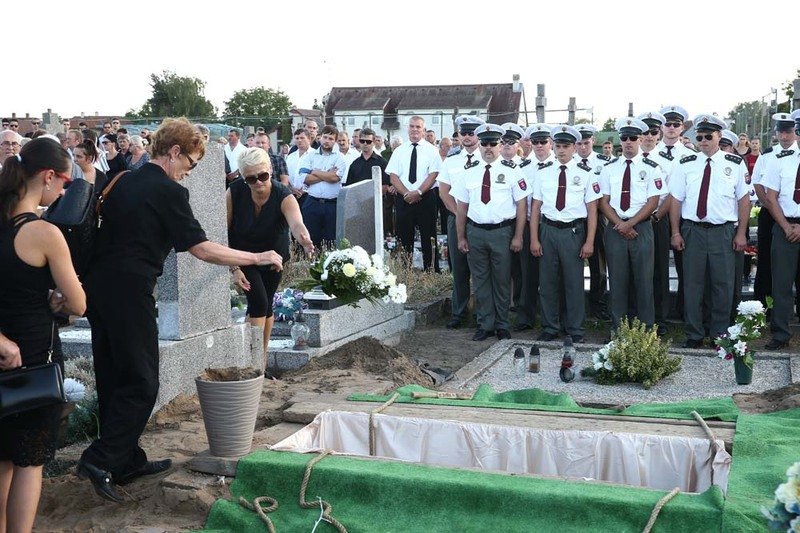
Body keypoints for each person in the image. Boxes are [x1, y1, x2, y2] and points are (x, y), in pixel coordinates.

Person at [77, 118, 284, 503]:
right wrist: (255, 256)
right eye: (189, 162)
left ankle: (125, 459)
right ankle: (101, 459)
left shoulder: (123, 178)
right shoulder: (167, 190)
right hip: (129, 292)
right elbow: (201, 248)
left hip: (97, 291)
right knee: (142, 381)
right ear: (173, 152)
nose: (189, 172)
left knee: (114, 375)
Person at [0, 138, 86, 532]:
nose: (65, 191)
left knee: (1, 459)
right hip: (33, 357)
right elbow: (78, 303)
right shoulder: (44, 233)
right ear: (48, 176)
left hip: (6, 348)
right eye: (65, 182)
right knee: (29, 463)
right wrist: (56, 301)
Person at [670, 114, 749, 348]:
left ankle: (719, 334)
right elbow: (676, 200)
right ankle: (694, 333)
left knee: (722, 285)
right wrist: (675, 231)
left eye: (708, 136)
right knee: (693, 285)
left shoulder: (734, 164)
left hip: (722, 232)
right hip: (692, 230)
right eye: (700, 137)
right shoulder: (685, 164)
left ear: (719, 137)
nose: (703, 141)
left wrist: (741, 232)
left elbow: (744, 200)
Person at [228, 147, 313, 361]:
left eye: (262, 176)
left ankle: (260, 358)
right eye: (251, 178)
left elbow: (296, 223)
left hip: (275, 258)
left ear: (270, 170)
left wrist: (304, 239)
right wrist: (234, 267)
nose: (258, 182)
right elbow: (223, 229)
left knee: (265, 305)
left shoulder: (283, 195)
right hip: (243, 255)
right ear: (242, 176)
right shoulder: (235, 191)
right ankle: (252, 359)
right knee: (257, 302)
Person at [452, 124, 529, 341]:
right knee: (481, 281)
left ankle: (502, 324)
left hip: (502, 233)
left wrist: (518, 236)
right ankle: (485, 324)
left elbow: (522, 205)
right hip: (475, 232)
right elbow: (461, 208)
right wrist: (460, 237)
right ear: (478, 145)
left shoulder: (512, 170)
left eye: (493, 143)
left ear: (500, 145)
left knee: (502, 280)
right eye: (484, 143)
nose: (488, 148)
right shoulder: (468, 172)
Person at [530, 125, 600, 343]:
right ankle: (550, 326)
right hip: (549, 230)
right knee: (548, 282)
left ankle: (575, 328)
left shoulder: (586, 174)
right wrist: (534, 238)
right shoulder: (543, 173)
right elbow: (536, 208)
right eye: (558, 146)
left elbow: (592, 210)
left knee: (574, 283)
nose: (561, 151)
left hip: (573, 232)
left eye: (566, 146)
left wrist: (589, 241)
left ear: (574, 148)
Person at [599, 118, 663, 334]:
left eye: (633, 138)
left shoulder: (651, 168)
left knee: (644, 282)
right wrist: (621, 224)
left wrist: (631, 223)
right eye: (624, 138)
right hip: (616, 229)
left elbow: (653, 202)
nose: (628, 142)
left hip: (641, 229)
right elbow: (603, 202)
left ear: (641, 139)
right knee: (617, 281)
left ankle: (646, 331)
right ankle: (618, 330)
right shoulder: (609, 169)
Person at [437, 116, 484, 329]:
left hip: (480, 223)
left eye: (471, 132)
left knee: (481, 271)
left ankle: (482, 315)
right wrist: (460, 215)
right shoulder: (452, 159)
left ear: (478, 135)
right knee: (459, 269)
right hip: (456, 218)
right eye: (463, 133)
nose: (466, 136)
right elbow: (444, 192)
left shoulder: (487, 157)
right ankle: (459, 312)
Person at [751, 113, 799, 310]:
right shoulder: (770, 154)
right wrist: (770, 206)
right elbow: (758, 183)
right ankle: (765, 305)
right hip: (773, 214)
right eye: (781, 132)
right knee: (768, 262)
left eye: (789, 132)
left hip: (791, 214)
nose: (784, 136)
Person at [762, 109, 800, 350]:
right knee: (781, 284)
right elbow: (771, 197)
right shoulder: (780, 159)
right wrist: (786, 226)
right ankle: (781, 333)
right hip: (784, 225)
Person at [387, 116, 441, 271]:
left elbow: (434, 174)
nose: (415, 129)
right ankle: (405, 272)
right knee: (404, 238)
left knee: (428, 237)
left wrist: (418, 192)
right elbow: (393, 176)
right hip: (404, 200)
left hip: (426, 198)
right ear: (407, 128)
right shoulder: (399, 150)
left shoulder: (432, 150)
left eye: (418, 127)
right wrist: (407, 194)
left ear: (423, 130)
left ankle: (431, 272)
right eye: (412, 126)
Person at [636, 111, 671, 335]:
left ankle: (659, 318)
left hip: (657, 220)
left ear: (659, 134)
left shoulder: (667, 161)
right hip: (630, 221)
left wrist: (655, 217)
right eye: (645, 132)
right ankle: (634, 315)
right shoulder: (627, 159)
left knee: (658, 269)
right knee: (633, 269)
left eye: (653, 132)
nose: (649, 136)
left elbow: (671, 195)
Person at [575, 124, 612, 321]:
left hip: (598, 216)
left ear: (593, 141)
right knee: (572, 263)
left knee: (598, 263)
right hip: (573, 217)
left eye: (586, 143)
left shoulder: (605, 162)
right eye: (579, 143)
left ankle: (597, 303)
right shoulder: (567, 161)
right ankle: (574, 304)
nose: (582, 147)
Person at [299, 125, 347, 247]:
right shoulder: (309, 156)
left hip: (332, 205)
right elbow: (305, 178)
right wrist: (327, 173)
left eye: (331, 139)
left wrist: (314, 171)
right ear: (320, 138)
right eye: (325, 137)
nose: (327, 141)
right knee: (311, 239)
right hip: (312, 203)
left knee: (331, 240)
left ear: (335, 141)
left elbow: (334, 178)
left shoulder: (340, 157)